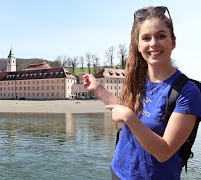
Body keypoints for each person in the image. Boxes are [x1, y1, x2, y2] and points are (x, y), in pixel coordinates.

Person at [83, 6, 201, 179]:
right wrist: (98, 88)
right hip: (118, 171)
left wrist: (129, 117)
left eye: (161, 36)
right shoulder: (138, 79)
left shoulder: (187, 91)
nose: (153, 43)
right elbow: (123, 109)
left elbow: (164, 151)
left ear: (173, 41)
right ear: (138, 46)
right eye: (146, 38)